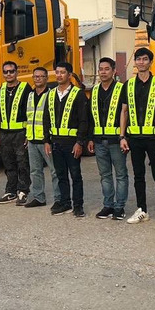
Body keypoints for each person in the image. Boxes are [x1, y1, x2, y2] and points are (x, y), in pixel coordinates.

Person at [119, 47, 155, 226]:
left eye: (144, 59)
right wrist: (122, 136)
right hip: (134, 139)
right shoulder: (128, 85)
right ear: (135, 62)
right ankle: (141, 209)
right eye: (138, 59)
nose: (141, 62)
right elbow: (124, 111)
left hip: (154, 138)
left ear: (150, 62)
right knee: (138, 175)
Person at [43, 61, 89, 218]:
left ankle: (78, 206)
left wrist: (80, 142)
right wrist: (46, 141)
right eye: (57, 72)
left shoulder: (78, 94)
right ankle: (65, 203)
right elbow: (46, 119)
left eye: (62, 72)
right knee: (60, 175)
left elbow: (84, 120)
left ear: (69, 75)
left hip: (71, 142)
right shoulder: (51, 94)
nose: (59, 75)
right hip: (56, 142)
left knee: (75, 175)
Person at [88, 58, 128, 220]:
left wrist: (123, 137)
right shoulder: (95, 90)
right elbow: (91, 116)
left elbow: (126, 113)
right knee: (105, 175)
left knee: (120, 175)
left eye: (106, 69)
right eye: (101, 69)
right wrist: (90, 138)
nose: (103, 72)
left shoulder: (121, 88)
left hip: (116, 140)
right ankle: (108, 205)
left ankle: (119, 207)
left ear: (113, 71)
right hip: (99, 141)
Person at [22, 67, 60, 208]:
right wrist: (27, 136)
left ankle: (59, 198)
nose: (37, 79)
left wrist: (48, 139)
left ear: (46, 78)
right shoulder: (30, 95)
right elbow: (29, 117)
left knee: (55, 171)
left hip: (46, 141)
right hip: (32, 139)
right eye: (35, 76)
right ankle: (39, 198)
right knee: (35, 171)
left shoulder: (52, 95)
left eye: (41, 76)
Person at [0, 61, 32, 205]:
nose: (8, 74)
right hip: (5, 133)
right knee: (8, 163)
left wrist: (29, 133)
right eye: (5, 72)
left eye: (11, 71)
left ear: (16, 72)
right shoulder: (1, 89)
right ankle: (10, 191)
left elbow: (31, 111)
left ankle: (23, 191)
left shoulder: (25, 88)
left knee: (22, 163)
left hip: (20, 133)